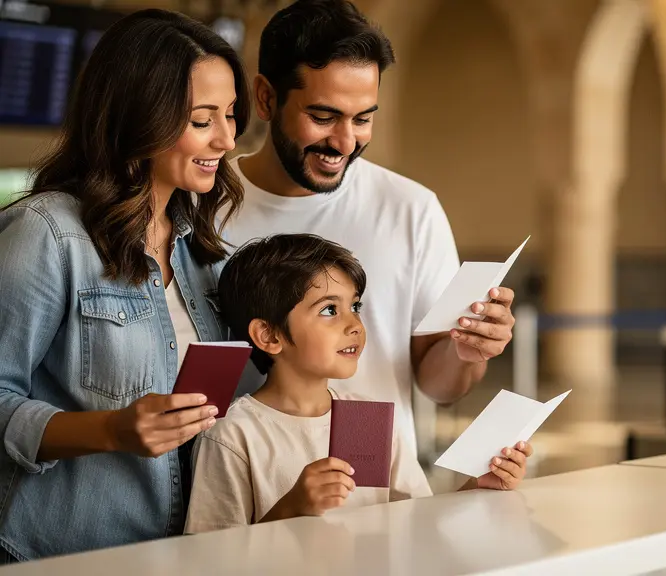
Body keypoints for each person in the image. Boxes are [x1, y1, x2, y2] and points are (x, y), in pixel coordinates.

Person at [0, 9, 250, 560]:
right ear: (140, 118)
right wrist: (111, 430)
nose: (227, 140)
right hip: (56, 555)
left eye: (231, 115)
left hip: (179, 555)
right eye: (203, 119)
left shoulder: (204, 251)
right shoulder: (47, 235)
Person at [221, 0, 517, 461]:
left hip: (374, 481)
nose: (344, 142)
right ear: (265, 98)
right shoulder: (202, 206)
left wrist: (468, 351)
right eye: (322, 116)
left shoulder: (410, 209)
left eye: (362, 118)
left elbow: (438, 386)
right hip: (249, 482)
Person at [184, 235, 532, 533]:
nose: (354, 325)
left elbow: (415, 527)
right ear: (269, 335)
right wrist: (291, 510)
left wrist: (478, 487)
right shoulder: (232, 436)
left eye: (355, 306)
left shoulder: (365, 419)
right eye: (329, 310)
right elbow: (209, 561)